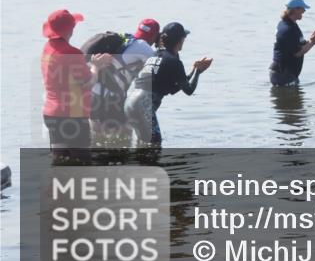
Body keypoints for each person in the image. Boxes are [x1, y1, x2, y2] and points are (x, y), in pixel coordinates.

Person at [40, 9, 113, 164]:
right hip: (72, 116)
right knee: (83, 163)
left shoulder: (47, 48)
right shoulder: (72, 53)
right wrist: (96, 67)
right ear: (70, 29)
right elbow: (88, 83)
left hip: (51, 114)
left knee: (59, 161)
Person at [124, 22, 212, 148]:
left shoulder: (154, 55)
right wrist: (198, 72)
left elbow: (175, 86)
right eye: (184, 39)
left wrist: (193, 70)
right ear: (180, 41)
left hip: (130, 102)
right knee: (155, 144)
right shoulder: (174, 62)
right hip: (144, 105)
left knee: (140, 143)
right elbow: (188, 90)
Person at [88, 19, 160, 147]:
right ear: (155, 37)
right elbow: (161, 66)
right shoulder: (143, 46)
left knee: (97, 138)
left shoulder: (124, 39)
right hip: (112, 98)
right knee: (125, 136)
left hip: (93, 94)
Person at [270, 0, 315, 86]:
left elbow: (299, 45)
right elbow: (298, 53)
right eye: (302, 9)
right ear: (295, 10)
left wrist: (311, 40)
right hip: (283, 75)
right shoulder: (288, 29)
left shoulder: (289, 24)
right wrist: (313, 42)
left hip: (284, 74)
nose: (304, 11)